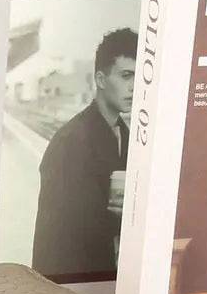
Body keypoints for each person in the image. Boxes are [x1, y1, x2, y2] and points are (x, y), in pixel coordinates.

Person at [32, 27, 138, 277]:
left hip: (106, 273)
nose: (134, 86)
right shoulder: (70, 142)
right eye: (126, 76)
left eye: (139, 77)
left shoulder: (125, 134)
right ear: (101, 80)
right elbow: (71, 228)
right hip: (72, 280)